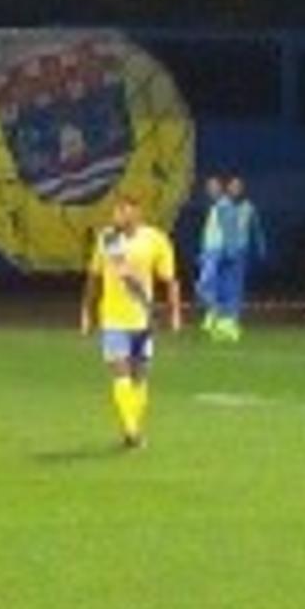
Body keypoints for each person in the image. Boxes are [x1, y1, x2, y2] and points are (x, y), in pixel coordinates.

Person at [81, 193, 182, 450]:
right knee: (120, 371)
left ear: (136, 213)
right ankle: (132, 430)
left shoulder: (156, 240)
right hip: (113, 318)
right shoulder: (108, 239)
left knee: (139, 376)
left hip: (143, 320)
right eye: (115, 211)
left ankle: (132, 427)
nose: (116, 216)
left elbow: (169, 280)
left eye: (122, 211)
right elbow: (93, 278)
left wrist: (174, 312)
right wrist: (87, 312)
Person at [210, 175, 268, 343]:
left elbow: (257, 229)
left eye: (238, 186)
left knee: (235, 286)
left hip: (240, 251)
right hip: (222, 251)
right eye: (232, 186)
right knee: (219, 285)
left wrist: (261, 247)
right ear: (228, 188)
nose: (235, 189)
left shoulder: (249, 208)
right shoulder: (222, 206)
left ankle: (232, 320)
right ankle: (220, 319)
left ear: (242, 189)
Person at [195, 176, 230, 336]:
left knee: (203, 285)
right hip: (209, 251)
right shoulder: (214, 207)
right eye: (208, 187)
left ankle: (217, 313)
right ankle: (212, 316)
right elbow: (209, 232)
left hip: (217, 251)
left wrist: (225, 250)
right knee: (208, 286)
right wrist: (203, 252)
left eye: (213, 187)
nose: (210, 190)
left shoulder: (224, 205)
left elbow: (228, 230)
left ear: (220, 188)